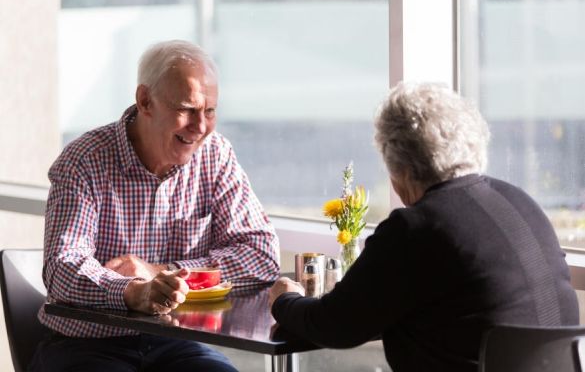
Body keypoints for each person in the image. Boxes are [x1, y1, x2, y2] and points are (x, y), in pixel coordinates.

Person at [269, 82, 578, 372]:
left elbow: (334, 326)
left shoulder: (415, 229)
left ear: (399, 169)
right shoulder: (520, 202)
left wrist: (285, 300)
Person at [30, 40, 280, 371]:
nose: (201, 126)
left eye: (210, 111)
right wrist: (133, 292)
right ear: (145, 101)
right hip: (85, 344)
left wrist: (159, 273)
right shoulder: (85, 161)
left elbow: (261, 254)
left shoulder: (215, 156)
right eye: (187, 109)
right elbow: (63, 268)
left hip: (175, 342)